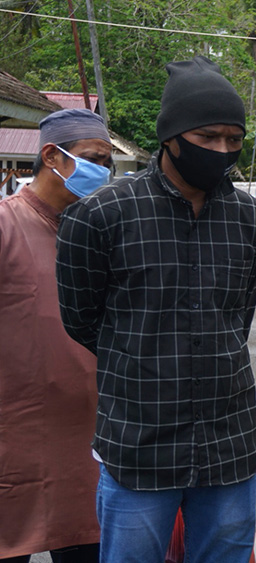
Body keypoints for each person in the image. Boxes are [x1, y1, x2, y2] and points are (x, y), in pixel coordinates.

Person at [55, 55, 256, 562]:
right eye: (208, 137)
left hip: (230, 441)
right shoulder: (100, 216)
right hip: (138, 443)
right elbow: (83, 321)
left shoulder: (249, 219)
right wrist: (146, 359)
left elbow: (238, 317)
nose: (222, 151)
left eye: (233, 139)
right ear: (171, 136)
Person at [0, 109, 113, 563]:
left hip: (90, 443)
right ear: (51, 156)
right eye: (93, 158)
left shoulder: (99, 233)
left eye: (107, 162)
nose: (102, 172)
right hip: (15, 441)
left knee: (89, 546)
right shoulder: (6, 226)